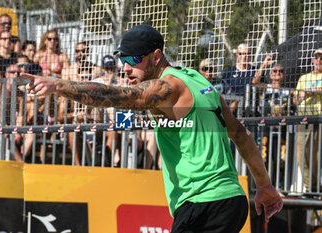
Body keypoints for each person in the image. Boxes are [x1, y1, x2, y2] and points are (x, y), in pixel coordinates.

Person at [22, 24, 283, 232]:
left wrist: (58, 85)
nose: (126, 68)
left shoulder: (168, 88)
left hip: (203, 203)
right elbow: (240, 134)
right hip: (231, 200)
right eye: (123, 59)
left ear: (156, 56)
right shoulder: (198, 81)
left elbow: (120, 96)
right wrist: (264, 185)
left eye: (134, 59)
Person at [293, 48, 322, 191]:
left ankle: (315, 186)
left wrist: (310, 91)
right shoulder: (304, 78)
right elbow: (296, 98)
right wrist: (299, 97)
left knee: (315, 155)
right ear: (313, 60)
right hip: (303, 118)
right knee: (301, 154)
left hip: (318, 118)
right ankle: (309, 186)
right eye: (317, 57)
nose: (319, 61)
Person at [222, 43, 256, 115]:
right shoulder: (228, 72)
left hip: (250, 110)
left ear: (251, 55)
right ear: (237, 54)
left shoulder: (255, 71)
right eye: (241, 54)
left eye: (247, 54)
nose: (244, 57)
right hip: (231, 110)